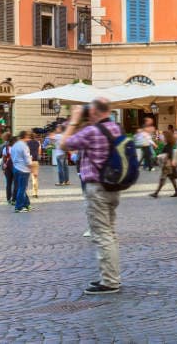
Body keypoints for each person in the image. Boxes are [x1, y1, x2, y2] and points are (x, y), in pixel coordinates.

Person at [60, 98, 124, 295]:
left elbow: (64, 144)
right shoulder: (115, 128)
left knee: (102, 234)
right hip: (113, 186)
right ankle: (111, 276)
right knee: (110, 232)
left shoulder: (92, 131)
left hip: (96, 188)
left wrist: (74, 120)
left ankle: (110, 281)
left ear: (94, 111)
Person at [150, 125, 177, 198]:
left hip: (167, 165)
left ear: (166, 138)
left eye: (163, 137)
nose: (162, 138)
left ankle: (156, 193)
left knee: (162, 178)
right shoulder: (168, 145)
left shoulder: (168, 146)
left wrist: (159, 157)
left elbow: (167, 155)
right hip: (168, 165)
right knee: (171, 178)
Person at [11, 130, 33, 213]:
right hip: (23, 169)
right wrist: (31, 167)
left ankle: (26, 205)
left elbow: (12, 156)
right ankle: (19, 207)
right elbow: (27, 159)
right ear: (25, 137)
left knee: (21, 187)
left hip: (16, 168)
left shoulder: (15, 145)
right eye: (28, 137)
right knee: (22, 188)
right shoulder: (24, 146)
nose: (29, 139)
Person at [0, 133, 16, 205]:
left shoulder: (5, 148)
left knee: (8, 183)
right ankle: (14, 198)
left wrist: (3, 167)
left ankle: (8, 198)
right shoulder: (16, 148)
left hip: (7, 167)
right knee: (15, 183)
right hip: (15, 166)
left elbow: (4, 158)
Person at [27, 132, 42, 198]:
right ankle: (35, 193)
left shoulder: (26, 143)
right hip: (35, 161)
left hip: (28, 161)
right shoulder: (38, 143)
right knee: (35, 177)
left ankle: (24, 192)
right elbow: (39, 152)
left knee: (25, 177)